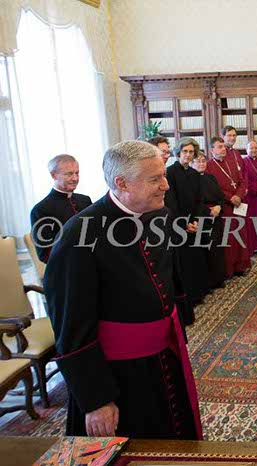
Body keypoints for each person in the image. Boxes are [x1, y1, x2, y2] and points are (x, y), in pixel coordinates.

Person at [44, 140, 202, 439]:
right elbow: (71, 326)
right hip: (118, 375)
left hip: (164, 357)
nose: (166, 185)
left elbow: (170, 277)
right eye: (155, 179)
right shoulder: (79, 234)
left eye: (163, 175)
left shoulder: (161, 215)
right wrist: (96, 399)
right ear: (122, 183)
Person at [166, 138, 209, 307]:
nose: (188, 155)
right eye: (185, 151)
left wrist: (196, 220)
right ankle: (187, 297)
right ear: (178, 152)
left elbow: (199, 200)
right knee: (183, 261)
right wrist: (184, 223)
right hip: (178, 224)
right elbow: (171, 202)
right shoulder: (170, 173)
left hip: (194, 223)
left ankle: (198, 293)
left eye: (191, 152)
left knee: (196, 259)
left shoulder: (194, 174)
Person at [30, 154, 92, 263]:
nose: (75, 178)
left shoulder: (85, 200)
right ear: (54, 175)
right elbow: (45, 255)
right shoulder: (41, 209)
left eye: (77, 173)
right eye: (69, 174)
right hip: (67, 267)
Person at [206, 136, 251, 276]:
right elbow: (214, 188)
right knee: (228, 238)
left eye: (224, 146)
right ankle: (229, 269)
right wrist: (230, 197)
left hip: (237, 204)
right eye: (219, 147)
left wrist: (239, 195)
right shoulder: (209, 166)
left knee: (240, 235)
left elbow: (242, 181)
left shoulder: (231, 162)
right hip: (224, 206)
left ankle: (240, 266)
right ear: (212, 150)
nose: (223, 149)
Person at [191, 152, 227, 290]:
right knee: (206, 250)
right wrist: (208, 211)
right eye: (198, 161)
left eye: (203, 161)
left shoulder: (210, 177)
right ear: (192, 163)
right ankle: (209, 282)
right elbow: (194, 201)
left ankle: (219, 278)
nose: (201, 164)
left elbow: (220, 196)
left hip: (216, 216)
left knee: (218, 247)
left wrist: (219, 206)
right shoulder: (190, 180)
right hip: (202, 218)